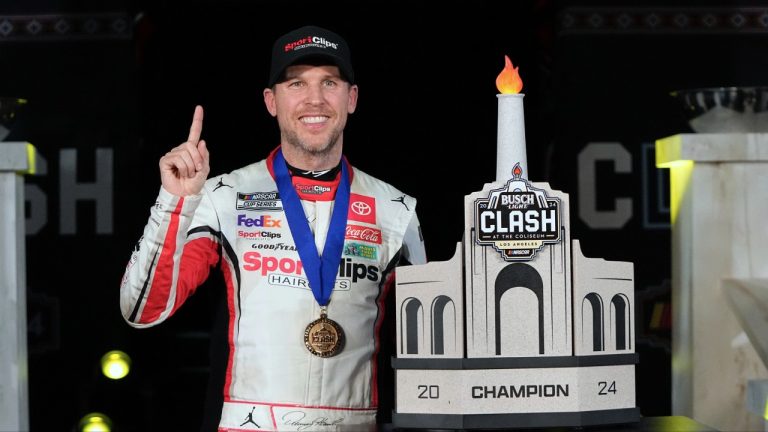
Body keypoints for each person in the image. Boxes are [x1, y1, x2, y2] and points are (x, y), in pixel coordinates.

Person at [120, 25, 426, 431]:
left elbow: (426, 351)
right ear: (271, 101)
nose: (314, 99)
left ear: (351, 98)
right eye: (296, 83)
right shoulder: (224, 196)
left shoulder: (396, 209)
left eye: (329, 83)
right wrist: (174, 202)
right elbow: (143, 310)